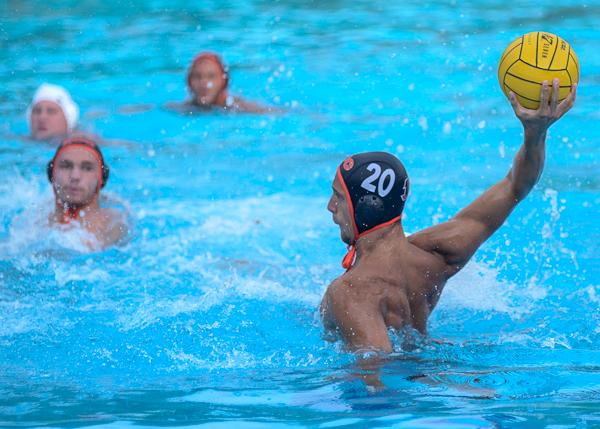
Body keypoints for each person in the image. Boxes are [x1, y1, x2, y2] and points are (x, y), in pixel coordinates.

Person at [320, 79, 577, 353]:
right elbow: (516, 185)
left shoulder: (351, 293)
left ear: (367, 206)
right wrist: (535, 133)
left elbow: (376, 379)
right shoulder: (435, 256)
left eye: (338, 197)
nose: (330, 206)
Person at [47, 135, 128, 250]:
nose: (75, 176)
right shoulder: (33, 222)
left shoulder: (114, 224)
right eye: (66, 166)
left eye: (87, 168)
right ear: (52, 174)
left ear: (101, 178)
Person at [172, 51, 274, 114]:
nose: (204, 83)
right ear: (189, 82)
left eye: (211, 77)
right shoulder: (181, 109)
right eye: (198, 77)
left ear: (223, 82)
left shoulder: (238, 107)